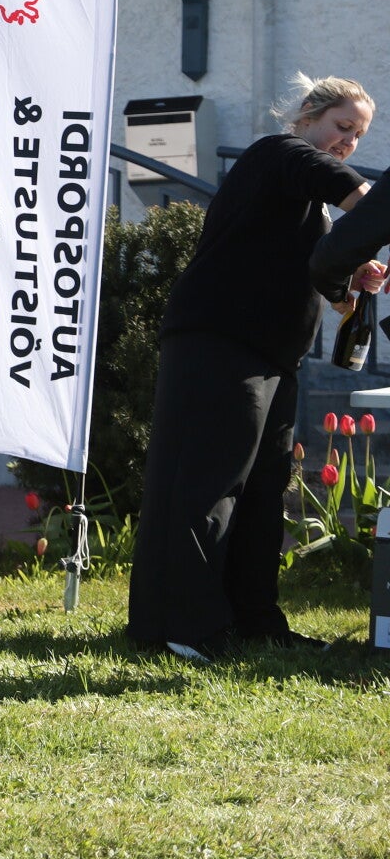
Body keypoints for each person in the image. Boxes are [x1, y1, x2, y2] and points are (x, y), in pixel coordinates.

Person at [128, 74, 378, 661]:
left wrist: (348, 281)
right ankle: (182, 627)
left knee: (265, 493)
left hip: (273, 358)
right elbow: (351, 191)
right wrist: (374, 222)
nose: (348, 142)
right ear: (309, 114)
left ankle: (255, 620)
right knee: (207, 483)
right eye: (342, 127)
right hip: (220, 344)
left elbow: (303, 269)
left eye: (358, 136)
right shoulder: (279, 153)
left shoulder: (303, 205)